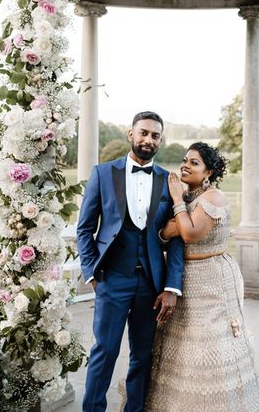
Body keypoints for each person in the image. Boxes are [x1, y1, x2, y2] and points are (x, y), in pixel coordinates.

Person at [77, 111, 184, 412]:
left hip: (151, 284)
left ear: (160, 140)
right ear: (131, 134)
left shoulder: (168, 180)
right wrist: (91, 273)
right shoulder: (102, 173)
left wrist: (172, 286)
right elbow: (84, 228)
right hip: (112, 278)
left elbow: (176, 238)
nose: (149, 139)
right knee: (105, 352)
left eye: (155, 135)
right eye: (144, 133)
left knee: (142, 355)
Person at [144, 142, 259, 412]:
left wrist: (176, 205)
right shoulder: (188, 199)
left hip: (212, 279)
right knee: (183, 341)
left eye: (194, 162)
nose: (185, 164)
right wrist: (175, 221)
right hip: (185, 277)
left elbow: (189, 234)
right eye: (185, 160)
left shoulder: (213, 198)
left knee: (210, 342)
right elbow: (162, 234)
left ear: (208, 171)